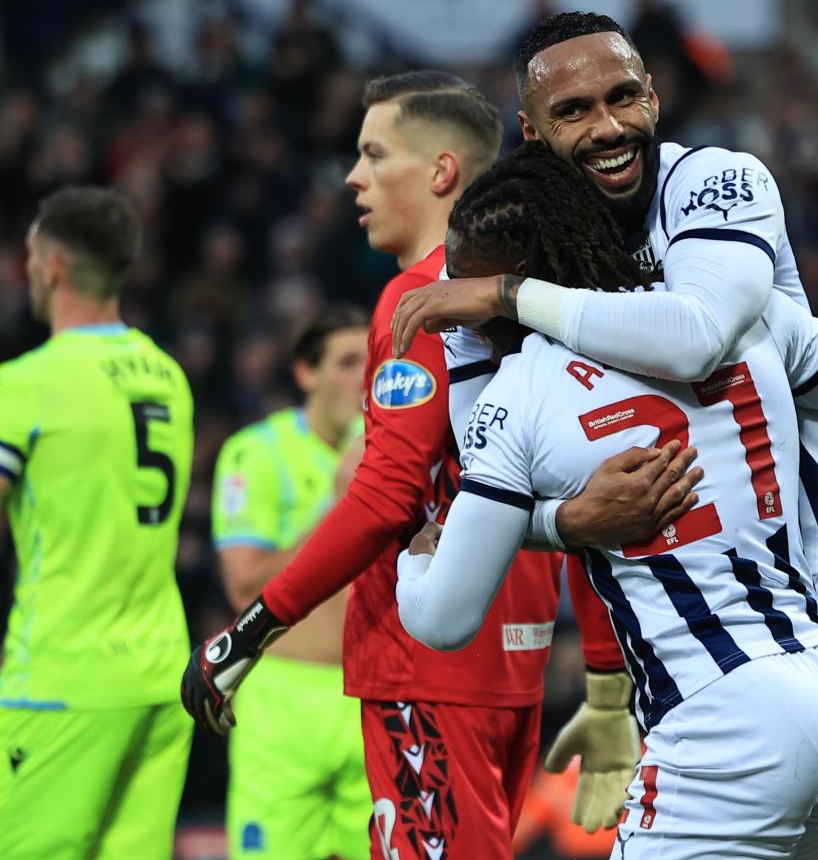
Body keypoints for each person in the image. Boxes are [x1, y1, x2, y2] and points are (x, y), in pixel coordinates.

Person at [391, 12, 818, 860]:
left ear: (656, 97)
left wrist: (508, 298)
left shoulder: (713, 184)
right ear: (533, 131)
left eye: (623, 98)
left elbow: (692, 337)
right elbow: (498, 476)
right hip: (722, 619)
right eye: (574, 111)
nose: (608, 127)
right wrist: (569, 522)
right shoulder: (501, 254)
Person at [183, 71, 698, 858]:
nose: (353, 177)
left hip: (426, 670)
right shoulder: (551, 293)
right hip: (513, 670)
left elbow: (386, 498)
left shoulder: (420, 298)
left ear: (439, 172)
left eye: (372, 154)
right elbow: (592, 502)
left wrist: (248, 634)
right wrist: (603, 679)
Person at [0, 186, 193, 858]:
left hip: (63, 681)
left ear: (50, 265)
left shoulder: (28, 383)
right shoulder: (168, 376)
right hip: (160, 674)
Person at [212, 305, 370, 859]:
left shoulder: (396, 453)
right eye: (348, 362)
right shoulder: (254, 454)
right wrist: (341, 502)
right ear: (307, 373)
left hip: (373, 693)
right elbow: (242, 587)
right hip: (284, 697)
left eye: (372, 362)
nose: (363, 377)